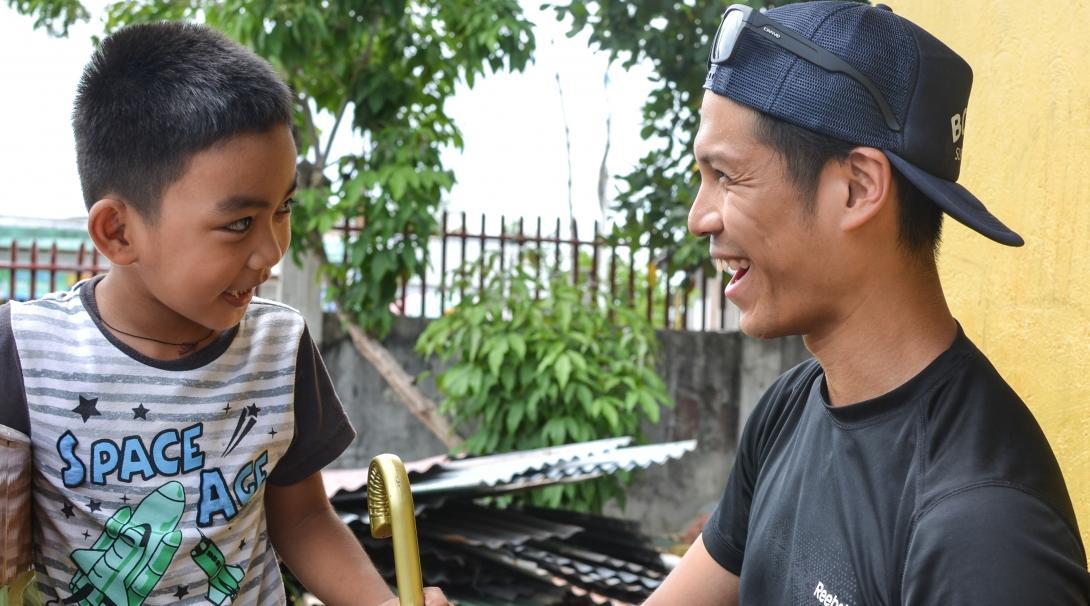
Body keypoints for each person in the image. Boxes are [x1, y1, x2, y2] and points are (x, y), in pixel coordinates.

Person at [645, 2, 1090, 604]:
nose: (701, 218)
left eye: (727, 176)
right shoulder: (790, 410)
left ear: (857, 188)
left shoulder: (982, 530)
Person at [0, 21, 447, 606]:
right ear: (118, 232)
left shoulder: (277, 346)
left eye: (282, 209)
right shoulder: (27, 351)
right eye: (238, 224)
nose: (271, 250)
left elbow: (305, 519)